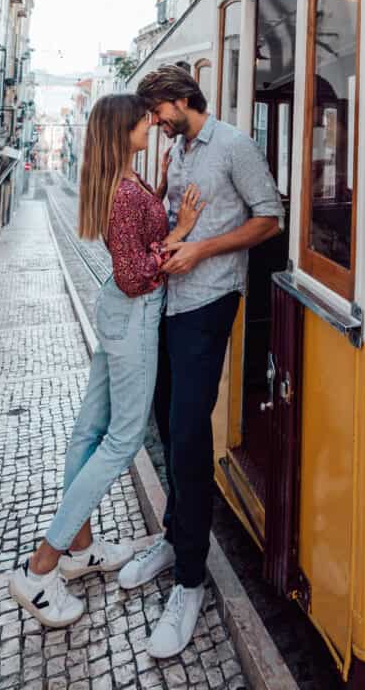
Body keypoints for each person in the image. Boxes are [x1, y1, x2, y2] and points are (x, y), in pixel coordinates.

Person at [9, 93, 204, 628]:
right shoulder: (123, 194)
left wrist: (161, 188)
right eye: (144, 119)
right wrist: (183, 231)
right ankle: (40, 569)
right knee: (121, 440)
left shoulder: (125, 182)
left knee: (89, 430)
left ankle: (78, 549)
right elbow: (135, 273)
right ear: (124, 129)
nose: (152, 122)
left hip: (119, 314)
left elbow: (137, 238)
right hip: (134, 313)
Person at [120, 65, 284, 659]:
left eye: (158, 110)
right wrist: (169, 222)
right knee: (166, 423)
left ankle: (190, 580)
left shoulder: (234, 146)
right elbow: (171, 223)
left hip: (210, 302)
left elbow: (270, 218)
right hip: (170, 303)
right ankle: (174, 537)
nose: (155, 121)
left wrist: (202, 247)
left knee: (189, 434)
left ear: (179, 99)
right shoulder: (181, 152)